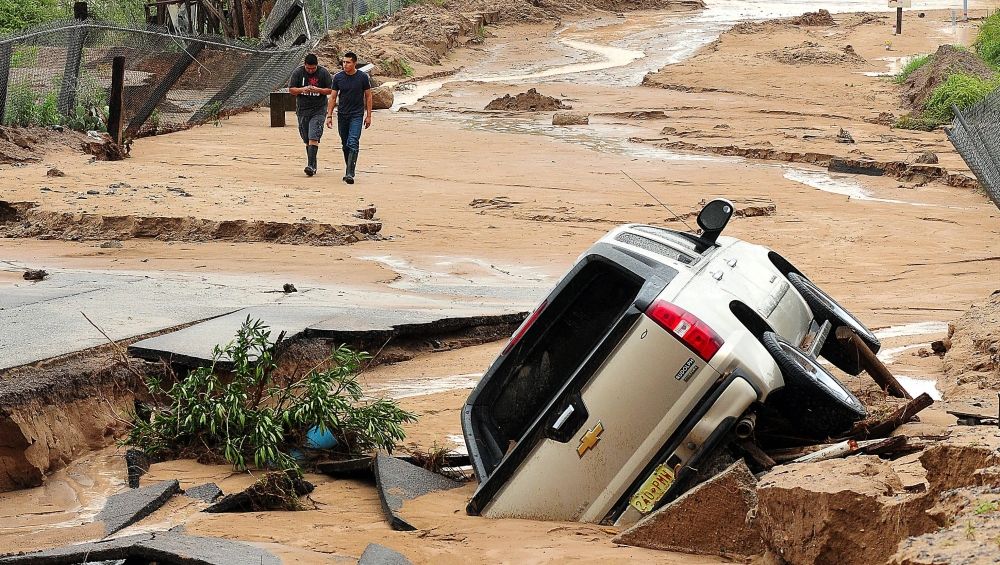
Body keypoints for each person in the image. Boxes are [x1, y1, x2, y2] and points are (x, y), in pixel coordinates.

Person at [325, 51, 372, 185]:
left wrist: (368, 116)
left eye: (348, 62)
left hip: (357, 115)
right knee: (345, 144)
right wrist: (329, 115)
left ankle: (350, 173)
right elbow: (333, 97)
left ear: (354, 63)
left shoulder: (363, 77)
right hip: (342, 115)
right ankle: (349, 168)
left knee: (353, 141)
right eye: (343, 62)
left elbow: (368, 96)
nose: (345, 65)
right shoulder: (338, 78)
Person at [288, 53, 333, 177]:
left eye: (313, 68)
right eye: (308, 68)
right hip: (303, 109)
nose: (311, 71)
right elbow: (291, 90)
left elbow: (331, 90)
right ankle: (313, 164)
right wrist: (303, 89)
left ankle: (311, 165)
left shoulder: (323, 73)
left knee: (314, 135)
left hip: (319, 109)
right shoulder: (298, 72)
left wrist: (318, 90)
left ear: (317, 66)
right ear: (305, 65)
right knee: (306, 139)